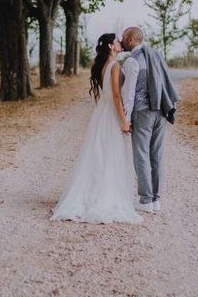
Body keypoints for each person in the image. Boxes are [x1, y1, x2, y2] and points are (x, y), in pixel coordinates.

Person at [50, 33, 143, 224]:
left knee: (100, 153)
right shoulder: (115, 66)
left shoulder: (101, 66)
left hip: (102, 113)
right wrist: (124, 120)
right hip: (111, 113)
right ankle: (105, 194)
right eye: (117, 41)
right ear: (111, 46)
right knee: (110, 154)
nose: (120, 43)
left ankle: (93, 191)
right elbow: (116, 96)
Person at [121, 26, 179, 213]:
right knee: (157, 155)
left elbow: (129, 94)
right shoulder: (157, 56)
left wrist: (126, 118)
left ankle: (146, 200)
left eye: (123, 38)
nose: (121, 41)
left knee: (141, 155)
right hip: (161, 110)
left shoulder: (132, 62)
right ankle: (156, 199)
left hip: (142, 112)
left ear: (131, 40)